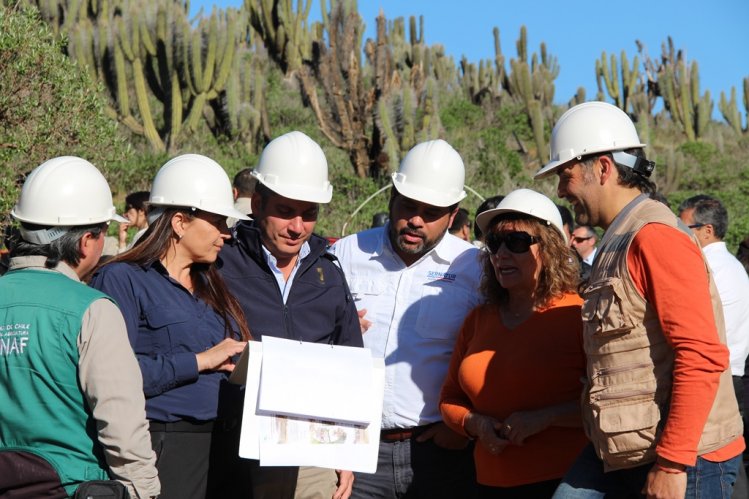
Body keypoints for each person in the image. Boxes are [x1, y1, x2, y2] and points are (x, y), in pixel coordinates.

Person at [534, 101, 744, 498]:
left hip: (686, 460)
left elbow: (699, 354)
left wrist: (672, 464)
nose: (561, 190)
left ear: (603, 168)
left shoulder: (653, 235)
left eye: (566, 174)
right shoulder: (620, 234)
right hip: (628, 451)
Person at [89, 154, 251, 499]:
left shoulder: (217, 285)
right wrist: (199, 361)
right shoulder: (121, 279)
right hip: (165, 445)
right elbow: (113, 377)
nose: (226, 233)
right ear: (180, 222)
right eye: (218, 221)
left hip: (228, 446)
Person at [331, 139, 484, 498]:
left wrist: (463, 426)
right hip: (354, 454)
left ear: (453, 214)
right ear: (391, 197)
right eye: (408, 206)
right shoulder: (345, 254)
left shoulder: (475, 269)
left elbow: (496, 349)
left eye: (431, 213)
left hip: (440, 455)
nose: (416, 220)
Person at [0, 156, 160, 498]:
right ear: (87, 241)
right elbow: (123, 430)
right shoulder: (92, 310)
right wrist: (144, 491)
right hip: (71, 487)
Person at [217, 131, 363, 499]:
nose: (297, 227)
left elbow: (350, 362)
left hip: (312, 456)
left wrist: (347, 453)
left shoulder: (328, 271)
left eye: (309, 214)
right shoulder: (220, 262)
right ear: (257, 203)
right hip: (230, 449)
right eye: (285, 211)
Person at [440, 188, 587, 498]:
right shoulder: (478, 320)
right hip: (485, 483)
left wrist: (547, 418)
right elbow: (450, 399)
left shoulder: (580, 315)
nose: (501, 254)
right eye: (494, 243)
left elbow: (609, 403)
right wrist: (475, 424)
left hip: (565, 484)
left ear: (549, 250)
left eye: (517, 242)